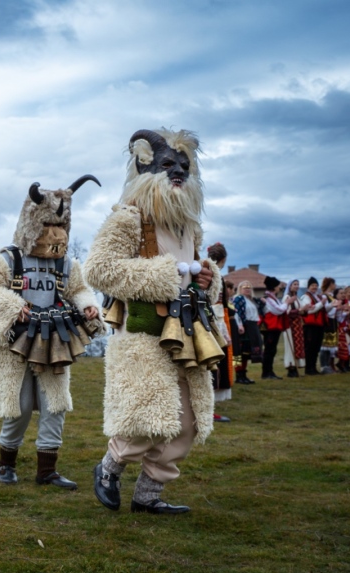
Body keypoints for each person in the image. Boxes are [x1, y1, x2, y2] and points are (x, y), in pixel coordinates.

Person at [84, 128, 222, 515]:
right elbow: (99, 269)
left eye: (183, 165)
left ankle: (148, 494)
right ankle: (109, 466)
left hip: (189, 329)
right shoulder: (128, 217)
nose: (177, 171)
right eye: (167, 164)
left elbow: (198, 273)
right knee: (148, 415)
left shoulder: (189, 225)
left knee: (189, 421)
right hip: (144, 332)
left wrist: (209, 278)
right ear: (146, 166)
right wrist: (162, 275)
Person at [0, 178, 102, 490]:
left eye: (59, 225)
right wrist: (12, 308)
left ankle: (47, 470)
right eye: (47, 225)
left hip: (55, 339)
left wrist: (88, 306)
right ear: (32, 223)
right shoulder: (9, 259)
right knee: (20, 405)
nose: (54, 233)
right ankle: (7, 463)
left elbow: (79, 289)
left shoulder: (66, 263)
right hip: (15, 341)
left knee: (55, 404)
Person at [206, 243, 231, 422]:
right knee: (214, 365)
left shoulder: (203, 270)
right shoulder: (216, 275)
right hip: (213, 322)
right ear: (223, 259)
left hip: (206, 319)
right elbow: (216, 306)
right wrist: (223, 331)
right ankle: (208, 410)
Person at [233, 281, 261, 384]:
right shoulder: (239, 299)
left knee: (246, 353)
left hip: (252, 327)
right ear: (240, 288)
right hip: (244, 327)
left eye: (249, 287)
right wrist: (239, 325)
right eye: (245, 287)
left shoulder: (252, 300)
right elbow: (236, 313)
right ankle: (238, 375)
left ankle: (244, 375)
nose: (247, 289)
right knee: (239, 352)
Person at [299, 276, 327, 376]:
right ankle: (308, 368)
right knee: (310, 347)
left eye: (316, 285)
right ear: (308, 287)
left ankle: (313, 367)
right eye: (312, 285)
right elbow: (310, 310)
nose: (314, 287)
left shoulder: (317, 297)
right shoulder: (306, 297)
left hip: (319, 324)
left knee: (316, 347)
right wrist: (321, 304)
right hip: (310, 325)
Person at [261, 276, 287, 380]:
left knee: (271, 350)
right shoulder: (268, 299)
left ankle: (269, 371)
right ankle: (267, 372)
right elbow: (278, 310)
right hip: (270, 327)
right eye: (278, 286)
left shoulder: (273, 298)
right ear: (274, 287)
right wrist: (287, 303)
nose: (279, 287)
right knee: (269, 350)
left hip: (274, 327)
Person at [282, 279, 305, 378]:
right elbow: (287, 312)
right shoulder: (287, 297)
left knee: (297, 345)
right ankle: (291, 367)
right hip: (290, 325)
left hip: (297, 325)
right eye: (294, 284)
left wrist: (305, 310)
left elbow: (300, 311)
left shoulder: (297, 298)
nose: (296, 286)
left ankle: (296, 366)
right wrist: (299, 310)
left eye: (298, 284)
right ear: (290, 286)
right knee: (290, 345)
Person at [319, 277, 339, 373]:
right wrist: (332, 305)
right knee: (325, 345)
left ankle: (328, 365)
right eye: (334, 284)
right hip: (327, 321)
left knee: (330, 345)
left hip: (333, 321)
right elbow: (324, 309)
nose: (335, 286)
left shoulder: (331, 296)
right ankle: (324, 366)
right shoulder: (324, 296)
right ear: (330, 284)